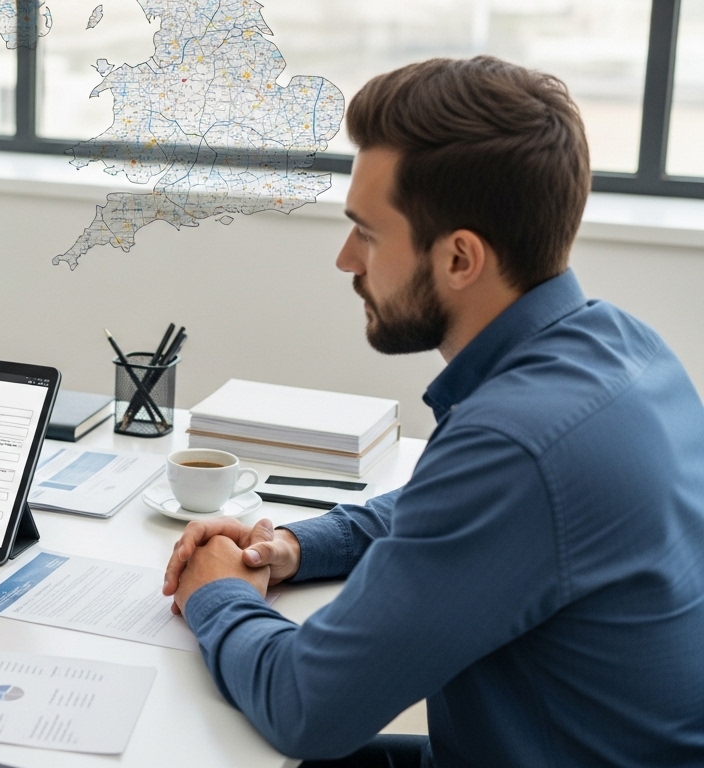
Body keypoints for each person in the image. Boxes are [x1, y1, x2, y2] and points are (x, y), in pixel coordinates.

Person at [162, 56, 704, 767]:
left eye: (368, 232)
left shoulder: (519, 444)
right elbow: (445, 508)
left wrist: (217, 594)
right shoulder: (627, 349)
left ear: (459, 259)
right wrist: (292, 547)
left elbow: (306, 707)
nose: (346, 259)